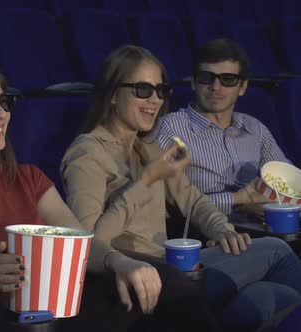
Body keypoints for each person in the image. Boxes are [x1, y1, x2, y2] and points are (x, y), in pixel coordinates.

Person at [0, 58, 222, 332]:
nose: (1, 114)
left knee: (167, 286)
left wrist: (119, 261)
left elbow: (81, 243)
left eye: (5, 102)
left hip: (66, 309)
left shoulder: (28, 178)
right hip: (5, 319)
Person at [60, 44, 301, 330]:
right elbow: (89, 244)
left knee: (269, 296)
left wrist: (222, 230)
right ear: (113, 94)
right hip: (141, 277)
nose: (154, 100)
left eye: (160, 90)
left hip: (176, 266)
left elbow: (193, 200)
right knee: (276, 250)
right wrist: (146, 181)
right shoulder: (87, 153)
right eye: (142, 89)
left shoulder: (147, 146)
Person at [155, 38, 290, 223]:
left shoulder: (255, 129)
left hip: (260, 230)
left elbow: (289, 182)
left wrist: (268, 202)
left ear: (242, 87)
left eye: (227, 79)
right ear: (194, 82)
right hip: (200, 237)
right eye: (206, 78)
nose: (215, 87)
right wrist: (236, 201)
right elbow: (164, 206)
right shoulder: (170, 129)